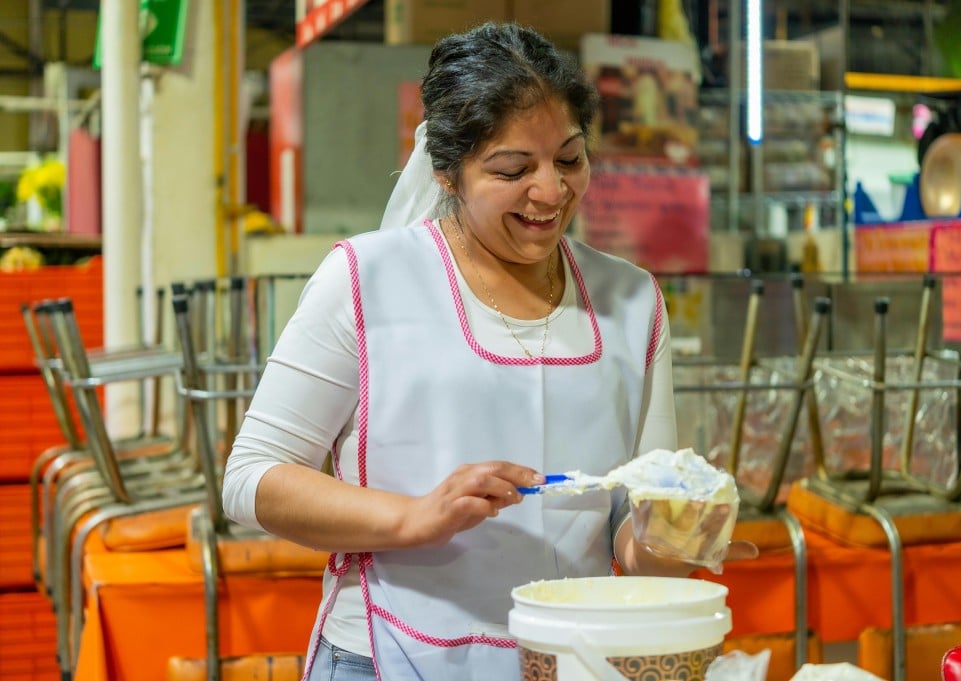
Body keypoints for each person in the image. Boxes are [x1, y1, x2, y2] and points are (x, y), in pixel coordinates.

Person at [222, 21, 754, 681]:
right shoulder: (366, 280)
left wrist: (677, 530)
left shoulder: (631, 300)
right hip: (389, 652)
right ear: (447, 170)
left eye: (569, 158)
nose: (551, 192)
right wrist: (414, 516)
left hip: (568, 660)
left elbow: (632, 539)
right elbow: (251, 478)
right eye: (512, 169)